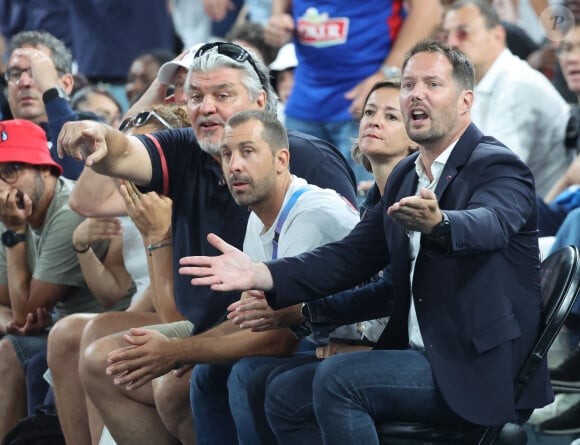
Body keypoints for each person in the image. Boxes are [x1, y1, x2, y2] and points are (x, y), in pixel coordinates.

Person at [178, 39, 552, 444]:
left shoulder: (497, 164)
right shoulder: (409, 174)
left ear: (465, 101)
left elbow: (491, 223)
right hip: (416, 354)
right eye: (408, 85)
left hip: (476, 366)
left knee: (340, 382)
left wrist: (442, 224)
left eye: (432, 84)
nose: (416, 95)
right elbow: (349, 257)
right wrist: (263, 273)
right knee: (282, 393)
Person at [57, 42, 357, 444]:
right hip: (223, 321)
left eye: (222, 95)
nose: (207, 107)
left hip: (308, 331)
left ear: (261, 102)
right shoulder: (190, 148)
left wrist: (180, 349)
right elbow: (117, 159)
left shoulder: (309, 165)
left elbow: (293, 319)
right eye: (196, 96)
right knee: (104, 359)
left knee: (182, 383)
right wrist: (100, 136)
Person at [224, 79, 417, 445]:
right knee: (257, 379)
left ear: (414, 138)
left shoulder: (413, 198)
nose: (374, 121)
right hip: (372, 339)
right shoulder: (376, 200)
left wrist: (366, 348)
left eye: (392, 116)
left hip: (415, 351)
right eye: (370, 112)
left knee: (287, 385)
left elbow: (394, 294)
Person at [189, 108, 360, 445]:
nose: (234, 165)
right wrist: (191, 349)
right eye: (226, 154)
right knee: (206, 373)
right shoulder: (259, 213)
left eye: (247, 152)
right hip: (314, 336)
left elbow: (279, 338)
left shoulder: (312, 215)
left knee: (247, 374)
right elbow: (251, 317)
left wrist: (180, 351)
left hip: (355, 342)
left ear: (281, 160)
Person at [47, 104, 191, 445]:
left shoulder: (184, 199)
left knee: (98, 338)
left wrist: (158, 236)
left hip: (187, 315)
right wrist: (82, 249)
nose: (136, 164)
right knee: (71, 331)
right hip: (152, 304)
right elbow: (114, 291)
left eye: (147, 150)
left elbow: (174, 311)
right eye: (132, 150)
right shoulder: (134, 200)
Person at [0, 119, 111, 438]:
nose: (3, 186)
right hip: (57, 328)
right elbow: (12, 305)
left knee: (11, 350)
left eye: (12, 169)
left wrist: (14, 233)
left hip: (101, 325)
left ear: (46, 170)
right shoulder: (9, 209)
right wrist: (9, 317)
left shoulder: (68, 212)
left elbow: (23, 311)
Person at [265, 0, 442, 184]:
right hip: (304, 103)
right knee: (296, 205)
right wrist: (278, 18)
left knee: (366, 203)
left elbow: (429, 9)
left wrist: (387, 72)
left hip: (365, 106)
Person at [442, 0, 571, 198]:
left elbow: (495, 172)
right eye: (446, 35)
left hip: (543, 215)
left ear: (497, 35)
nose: (451, 43)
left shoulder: (517, 83)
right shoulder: (477, 84)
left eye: (463, 32)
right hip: (513, 205)